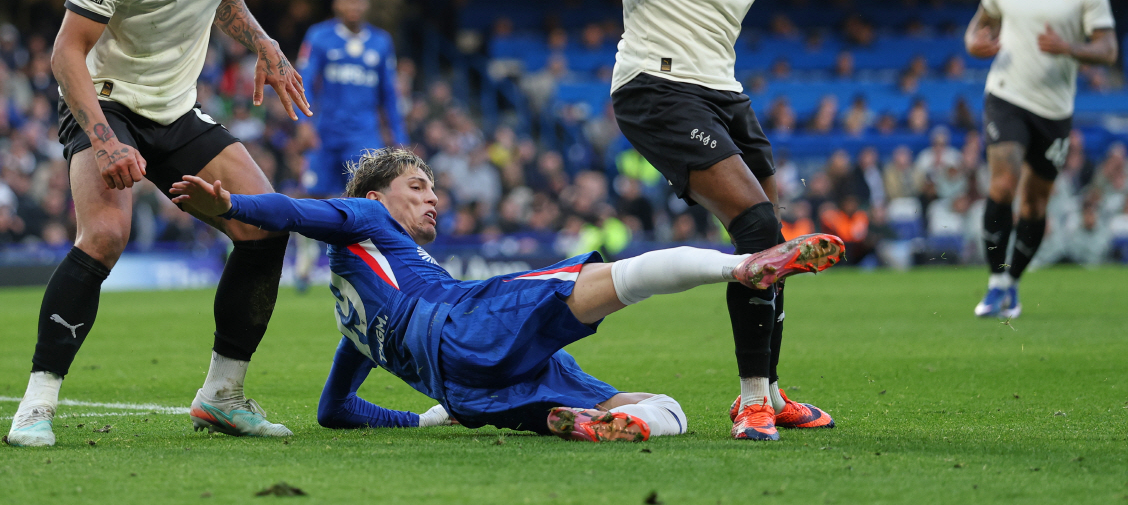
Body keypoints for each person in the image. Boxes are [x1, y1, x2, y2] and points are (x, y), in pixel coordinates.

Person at [564, 0, 1006, 440]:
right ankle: (751, 402)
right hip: (652, 84)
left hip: (724, 91)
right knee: (760, 226)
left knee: (770, 247)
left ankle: (770, 388)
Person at [170, 148, 845, 442]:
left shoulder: (352, 315)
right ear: (378, 197)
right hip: (466, 321)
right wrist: (234, 201)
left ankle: (587, 420)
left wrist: (430, 418)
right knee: (605, 283)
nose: (433, 197)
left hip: (471, 390)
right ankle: (743, 267)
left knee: (659, 410)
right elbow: (297, 212)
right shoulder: (367, 218)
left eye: (435, 189)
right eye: (418, 187)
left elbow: (335, 411)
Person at [6, 0, 313, 447]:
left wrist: (261, 42)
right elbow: (65, 52)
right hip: (107, 100)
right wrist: (105, 138)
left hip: (175, 106)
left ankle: (221, 397)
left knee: (265, 223)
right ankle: (35, 406)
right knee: (106, 235)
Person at [964, 0, 1116, 319]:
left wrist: (1070, 48)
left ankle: (1012, 285)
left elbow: (1108, 49)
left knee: (1033, 205)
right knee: (1002, 185)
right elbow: (979, 26)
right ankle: (995, 282)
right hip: (1006, 94)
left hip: (1054, 109)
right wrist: (974, 42)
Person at [292, 0, 406, 291]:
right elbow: (303, 80)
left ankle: (359, 266)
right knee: (313, 193)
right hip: (326, 132)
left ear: (366, 6)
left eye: (359, 1)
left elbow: (390, 96)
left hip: (363, 134)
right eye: (348, 0)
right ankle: (304, 259)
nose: (353, 6)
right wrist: (304, 122)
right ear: (337, 6)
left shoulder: (381, 43)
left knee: (363, 197)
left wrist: (399, 137)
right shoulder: (320, 37)